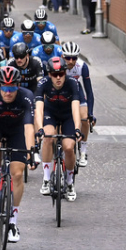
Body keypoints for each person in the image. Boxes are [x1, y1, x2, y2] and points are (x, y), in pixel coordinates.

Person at [0, 67, 37, 244]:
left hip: (17, 131)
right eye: (5, 88)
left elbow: (28, 128)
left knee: (17, 174)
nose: (8, 92)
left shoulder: (26, 96)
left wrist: (31, 152)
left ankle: (12, 222)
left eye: (12, 88)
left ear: (18, 87)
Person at [35, 57, 82, 202]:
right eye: (54, 75)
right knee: (49, 137)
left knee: (68, 147)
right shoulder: (43, 83)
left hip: (68, 115)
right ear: (49, 74)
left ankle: (69, 183)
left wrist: (77, 128)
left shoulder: (73, 83)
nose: (58, 77)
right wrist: (40, 129)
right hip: (51, 114)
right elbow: (39, 109)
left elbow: (75, 109)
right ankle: (47, 179)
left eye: (61, 73)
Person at [61, 42, 94, 167]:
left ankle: (83, 151)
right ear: (62, 56)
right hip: (62, 93)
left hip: (77, 91)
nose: (70, 61)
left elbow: (89, 92)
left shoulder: (82, 66)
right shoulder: (57, 64)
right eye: (68, 58)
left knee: (84, 119)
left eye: (74, 58)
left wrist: (90, 113)